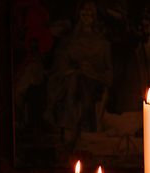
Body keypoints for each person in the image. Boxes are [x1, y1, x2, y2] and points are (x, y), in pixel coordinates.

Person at [46, 1, 113, 150]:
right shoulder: (69, 42)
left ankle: (82, 128)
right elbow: (59, 67)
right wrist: (74, 70)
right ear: (79, 15)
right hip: (71, 83)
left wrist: (91, 72)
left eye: (91, 13)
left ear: (95, 17)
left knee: (81, 84)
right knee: (73, 82)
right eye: (84, 12)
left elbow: (109, 74)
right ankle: (70, 128)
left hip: (93, 83)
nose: (87, 16)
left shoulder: (103, 44)